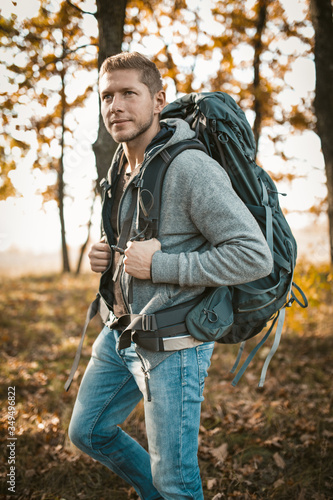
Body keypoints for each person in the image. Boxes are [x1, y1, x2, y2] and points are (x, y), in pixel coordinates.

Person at [68, 52, 273, 500]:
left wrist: (160, 267)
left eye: (128, 94)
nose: (115, 106)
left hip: (173, 347)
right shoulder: (120, 167)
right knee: (88, 432)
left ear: (158, 99)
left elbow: (255, 255)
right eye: (107, 97)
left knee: (176, 483)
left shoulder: (190, 168)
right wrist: (104, 253)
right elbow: (138, 237)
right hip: (120, 332)